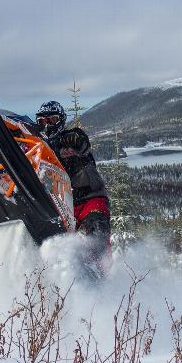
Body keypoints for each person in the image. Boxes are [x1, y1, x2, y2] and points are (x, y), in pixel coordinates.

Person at [35, 101, 111, 275]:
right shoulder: (37, 148)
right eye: (42, 121)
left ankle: (100, 273)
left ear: (61, 121)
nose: (47, 125)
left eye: (52, 120)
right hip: (60, 205)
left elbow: (82, 142)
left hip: (90, 198)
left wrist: (71, 139)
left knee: (96, 233)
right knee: (57, 246)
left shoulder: (71, 139)